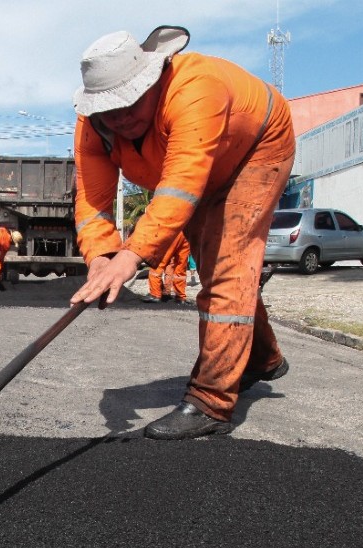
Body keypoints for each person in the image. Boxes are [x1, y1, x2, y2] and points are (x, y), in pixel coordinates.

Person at [68, 26, 295, 439]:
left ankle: (211, 401)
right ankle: (262, 358)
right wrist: (100, 258)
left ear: (153, 80)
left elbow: (181, 184)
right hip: (200, 173)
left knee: (230, 267)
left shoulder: (194, 89)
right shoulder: (93, 128)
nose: (120, 117)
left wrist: (131, 256)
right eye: (109, 109)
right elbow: (92, 203)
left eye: (129, 103)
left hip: (257, 148)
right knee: (214, 270)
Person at [141, 235, 192, 304]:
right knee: (180, 268)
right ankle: (180, 297)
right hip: (186, 235)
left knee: (158, 264)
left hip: (173, 232)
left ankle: (155, 294)